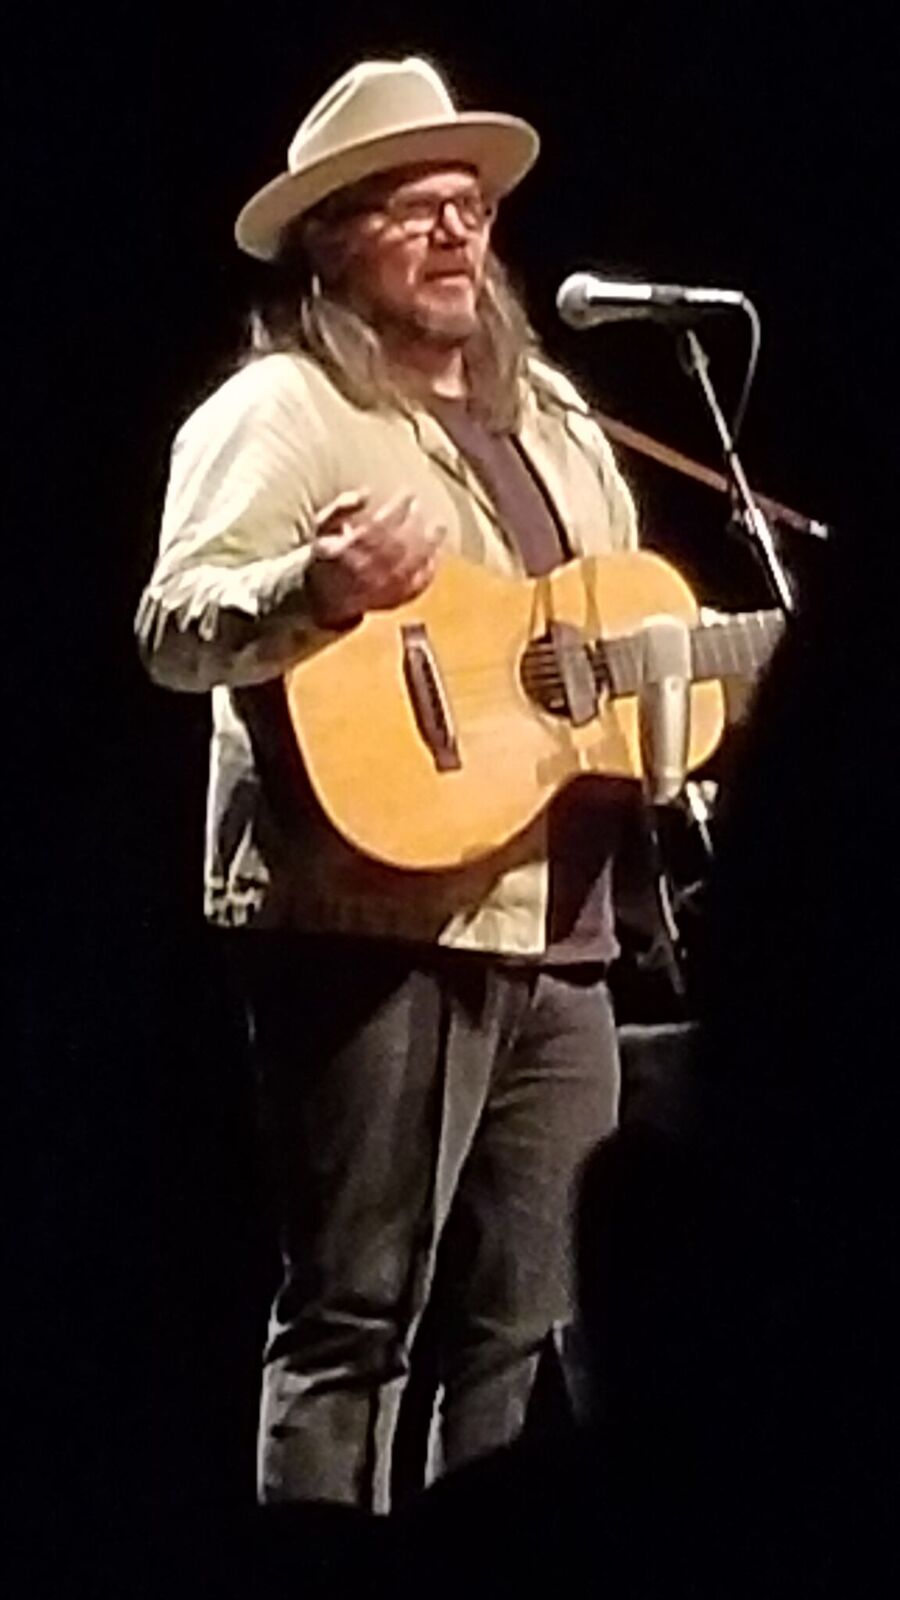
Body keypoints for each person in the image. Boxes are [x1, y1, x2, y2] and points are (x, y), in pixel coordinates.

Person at [136, 54, 642, 1513]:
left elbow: (611, 644)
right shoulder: (283, 411)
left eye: (470, 205)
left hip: (562, 933)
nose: (455, 231)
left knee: (526, 1340)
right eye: (415, 207)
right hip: (371, 919)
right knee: (354, 1324)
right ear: (332, 240)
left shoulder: (557, 419)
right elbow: (174, 629)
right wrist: (315, 584)